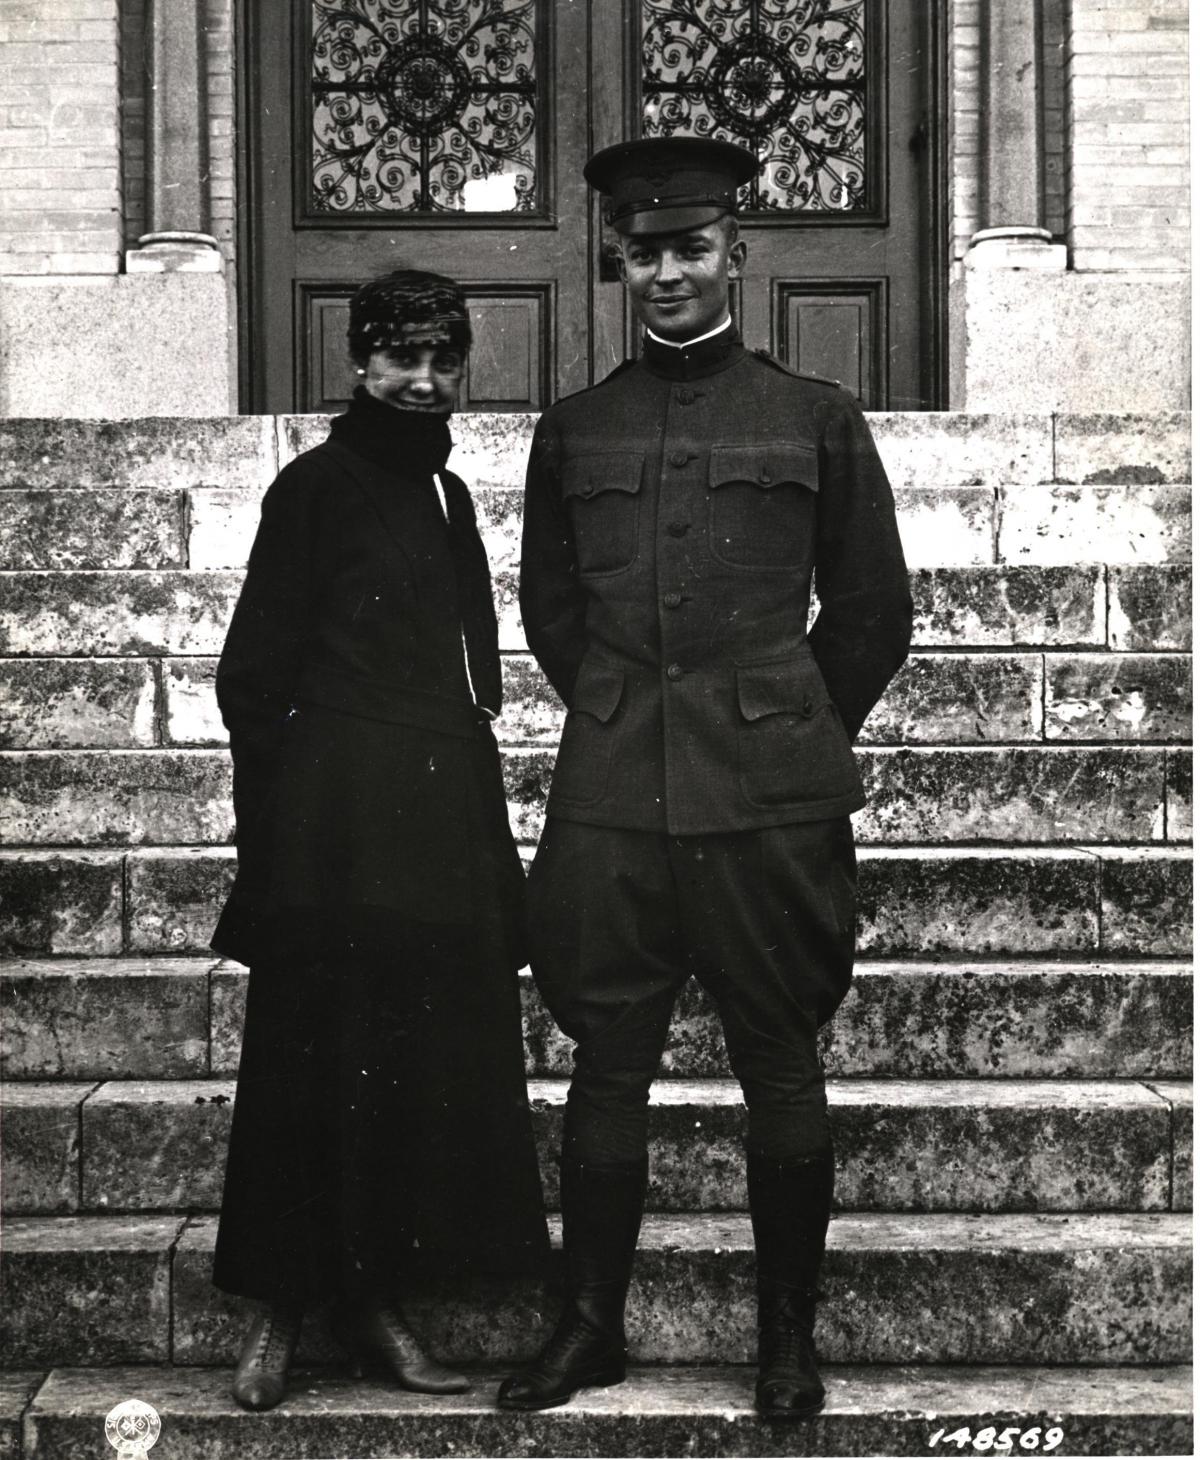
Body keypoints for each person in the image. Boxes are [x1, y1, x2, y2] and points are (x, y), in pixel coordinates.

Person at [501, 138, 913, 1421]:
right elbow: (553, 610)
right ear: (616, 260)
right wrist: (635, 719)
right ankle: (591, 1326)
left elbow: (871, 611)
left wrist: (782, 728)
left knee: (780, 1058)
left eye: (690, 247)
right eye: (643, 251)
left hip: (770, 807)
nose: (667, 271)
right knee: (606, 1061)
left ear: (736, 251)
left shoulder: (814, 416)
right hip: (613, 802)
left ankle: (786, 1343)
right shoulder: (578, 428)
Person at [210, 269, 548, 1412]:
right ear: (358, 363)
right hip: (332, 831)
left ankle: (377, 1302)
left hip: (437, 821)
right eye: (399, 357)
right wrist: (281, 842)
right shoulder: (312, 488)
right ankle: (276, 1308)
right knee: (308, 1066)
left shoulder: (451, 500)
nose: (421, 380)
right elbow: (251, 679)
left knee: (407, 1074)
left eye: (442, 359)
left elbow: (473, 680)